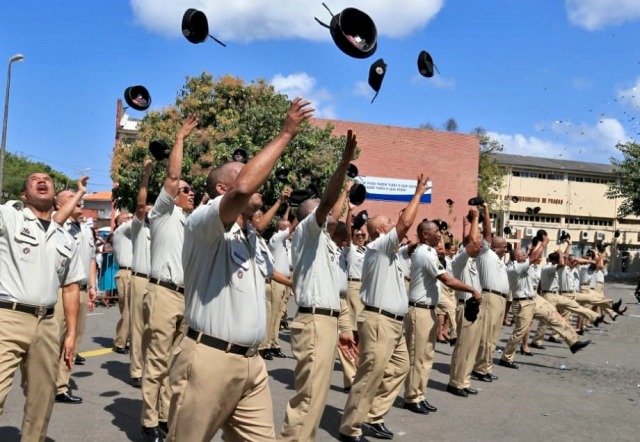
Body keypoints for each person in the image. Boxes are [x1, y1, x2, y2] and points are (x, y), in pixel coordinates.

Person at [166, 97, 314, 441]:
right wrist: (286, 134)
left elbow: (249, 190)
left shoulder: (250, 235)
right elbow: (245, 186)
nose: (256, 181)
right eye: (243, 172)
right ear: (222, 190)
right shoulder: (203, 222)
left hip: (252, 363)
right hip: (208, 360)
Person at [280, 130, 359, 442]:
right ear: (311, 216)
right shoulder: (306, 234)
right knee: (309, 397)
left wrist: (341, 328)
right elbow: (327, 203)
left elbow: (333, 208)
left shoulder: (325, 240)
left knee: (317, 395)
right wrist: (343, 162)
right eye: (321, 210)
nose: (328, 213)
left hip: (327, 319)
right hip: (313, 321)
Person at [339, 174, 429, 442]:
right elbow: (404, 224)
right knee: (370, 374)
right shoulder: (378, 247)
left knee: (400, 367)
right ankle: (350, 427)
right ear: (380, 231)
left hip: (394, 322)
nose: (393, 225)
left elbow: (410, 238)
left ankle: (372, 415)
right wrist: (419, 192)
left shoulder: (394, 252)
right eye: (388, 224)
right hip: (379, 321)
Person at [0, 172, 84, 441]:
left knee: (42, 398)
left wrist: (70, 334)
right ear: (24, 195)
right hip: (8, 317)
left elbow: (70, 287)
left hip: (48, 324)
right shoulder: (10, 217)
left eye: (47, 178)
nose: (42, 180)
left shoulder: (65, 238)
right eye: (34, 179)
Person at [141, 115, 198, 442]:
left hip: (186, 297)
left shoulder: (193, 223)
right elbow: (173, 175)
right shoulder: (163, 213)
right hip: (162, 293)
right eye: (185, 190)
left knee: (177, 366)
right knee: (158, 361)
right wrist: (180, 139)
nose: (189, 193)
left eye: (192, 190)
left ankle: (164, 417)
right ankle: (149, 422)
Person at [403, 219, 481, 414]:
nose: (440, 234)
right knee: (417, 357)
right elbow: (447, 279)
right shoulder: (424, 254)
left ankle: (420, 394)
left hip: (427, 309)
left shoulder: (429, 253)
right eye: (436, 231)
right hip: (418, 310)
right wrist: (472, 290)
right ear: (425, 235)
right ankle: (412, 397)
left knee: (427, 356)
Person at [499, 237, 590, 370]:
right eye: (522, 254)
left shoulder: (524, 264)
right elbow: (535, 256)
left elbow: (534, 256)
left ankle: (573, 342)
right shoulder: (514, 267)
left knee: (555, 316)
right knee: (519, 333)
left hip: (535, 298)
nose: (525, 255)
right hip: (523, 303)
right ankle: (506, 358)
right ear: (515, 258)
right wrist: (543, 243)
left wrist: (538, 245)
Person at [53, 178, 97, 404]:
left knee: (74, 339)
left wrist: (92, 286)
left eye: (78, 198)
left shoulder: (86, 230)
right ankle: (46, 381)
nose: (78, 201)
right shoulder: (56, 225)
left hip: (79, 290)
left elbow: (90, 259)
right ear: (59, 206)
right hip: (60, 291)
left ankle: (61, 385)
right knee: (54, 339)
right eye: (70, 198)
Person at [447, 208, 484, 397]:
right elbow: (470, 242)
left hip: (475, 306)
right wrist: (476, 218)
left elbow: (475, 242)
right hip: (465, 306)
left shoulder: (473, 261)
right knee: (463, 348)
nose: (480, 245)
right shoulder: (460, 259)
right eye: (477, 243)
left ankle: (464, 380)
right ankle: (455, 382)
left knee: (472, 348)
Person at [471, 202, 508, 383]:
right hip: (489, 297)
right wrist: (485, 209)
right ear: (494, 246)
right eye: (503, 247)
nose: (506, 249)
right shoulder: (487, 253)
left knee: (493, 338)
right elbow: (487, 231)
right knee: (486, 336)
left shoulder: (500, 260)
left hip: (500, 299)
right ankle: (479, 368)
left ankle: (486, 367)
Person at [129, 158, 153, 388]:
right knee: (137, 326)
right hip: (139, 279)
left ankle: (150, 366)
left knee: (154, 328)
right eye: (148, 209)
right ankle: (136, 369)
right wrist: (146, 177)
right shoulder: (139, 227)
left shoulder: (164, 230)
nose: (149, 211)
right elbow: (139, 205)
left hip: (157, 284)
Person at [112, 211, 133, 354]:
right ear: (119, 222)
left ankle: (128, 339)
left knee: (133, 310)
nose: (130, 219)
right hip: (126, 273)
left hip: (132, 273)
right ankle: (120, 342)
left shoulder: (131, 235)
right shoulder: (121, 231)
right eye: (127, 218)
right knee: (127, 310)